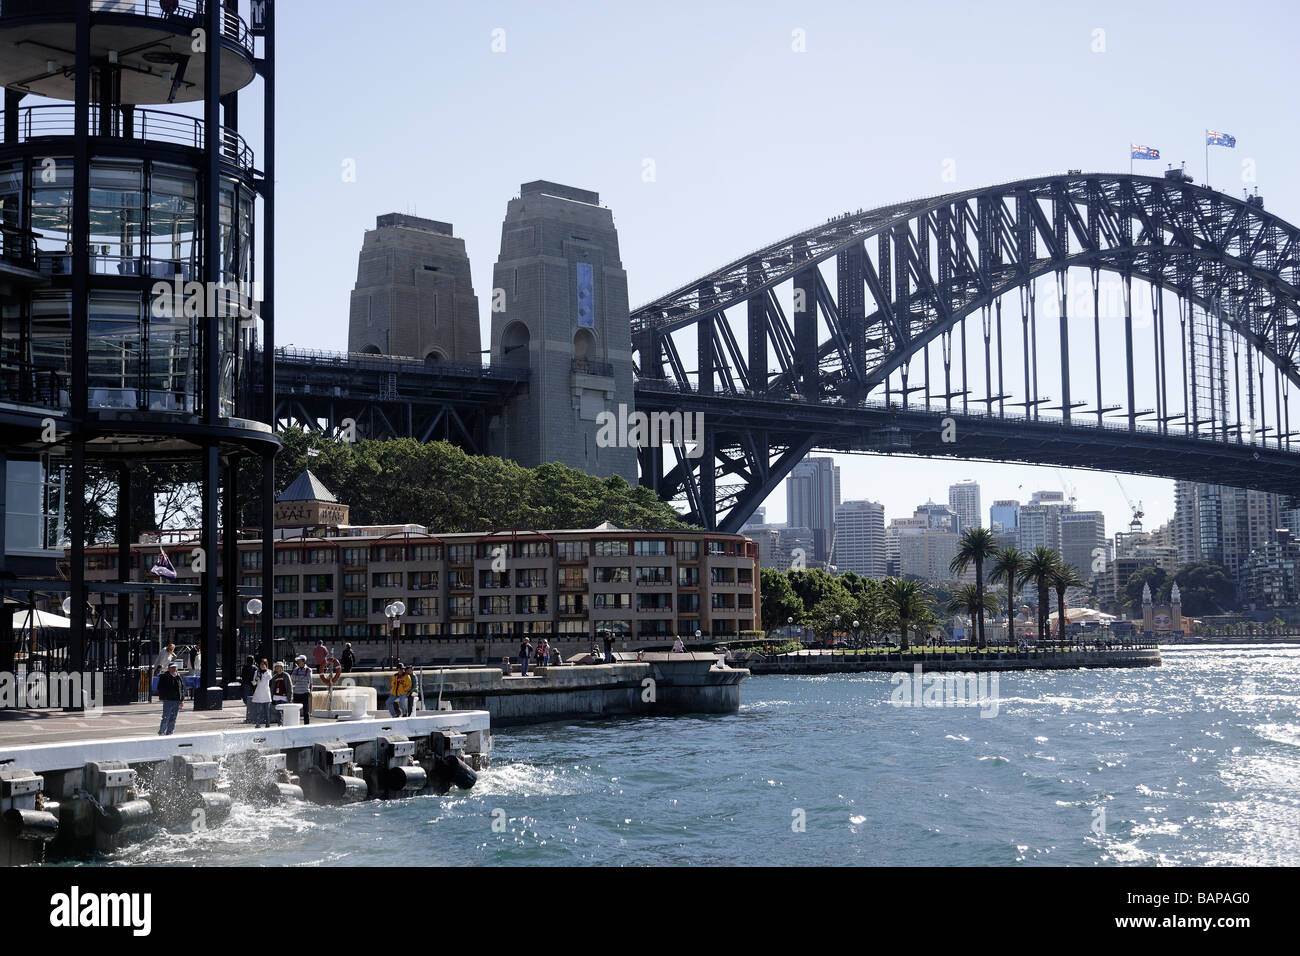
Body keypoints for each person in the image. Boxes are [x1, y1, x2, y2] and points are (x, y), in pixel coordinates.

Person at [157, 661, 184, 735]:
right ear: (168, 668)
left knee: (173, 718)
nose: (173, 669)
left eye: (175, 667)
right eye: (172, 667)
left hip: (177, 700)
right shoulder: (164, 676)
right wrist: (163, 697)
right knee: (166, 718)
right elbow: (160, 688)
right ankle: (161, 732)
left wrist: (182, 700)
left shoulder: (178, 676)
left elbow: (181, 689)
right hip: (168, 700)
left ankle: (170, 732)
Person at [250, 659, 273, 728]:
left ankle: (268, 725)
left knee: (267, 711)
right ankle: (257, 724)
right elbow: (254, 683)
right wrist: (256, 679)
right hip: (259, 693)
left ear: (266, 665)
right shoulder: (256, 672)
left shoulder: (269, 671)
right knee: (258, 712)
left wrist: (265, 671)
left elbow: (270, 678)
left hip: (266, 693)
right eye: (261, 664)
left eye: (264, 664)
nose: (262, 666)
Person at [290, 654, 312, 725]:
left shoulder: (308, 670)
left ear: (303, 661)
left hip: (305, 692)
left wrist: (298, 678)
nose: (298, 662)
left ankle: (306, 725)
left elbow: (308, 679)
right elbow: (292, 678)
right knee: (296, 710)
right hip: (296, 693)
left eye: (299, 661)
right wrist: (302, 677)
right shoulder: (296, 669)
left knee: (306, 711)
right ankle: (296, 724)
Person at [239, 655, 258, 723]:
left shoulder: (244, 667)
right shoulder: (255, 668)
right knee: (251, 698)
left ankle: (250, 708)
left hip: (246, 684)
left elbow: (242, 676)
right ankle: (251, 709)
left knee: (245, 698)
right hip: (252, 684)